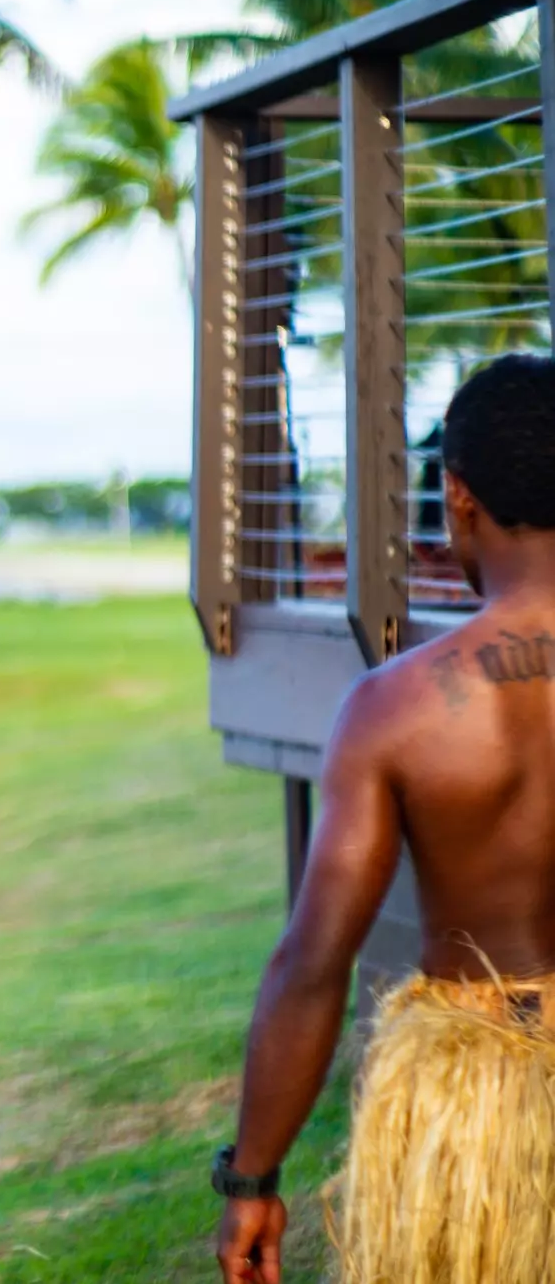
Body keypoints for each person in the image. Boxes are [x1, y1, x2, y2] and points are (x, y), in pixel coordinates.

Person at [215, 354, 555, 1284]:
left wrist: (250, 1175)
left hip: (469, 1111)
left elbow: (314, 961)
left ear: (458, 497)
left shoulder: (397, 709)